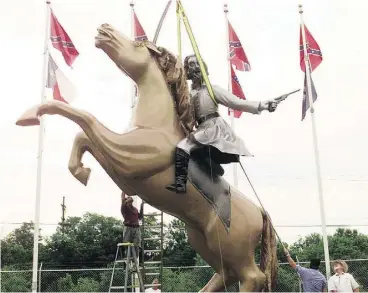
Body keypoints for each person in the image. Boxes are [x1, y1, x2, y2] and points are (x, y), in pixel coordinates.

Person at [166, 54, 289, 193]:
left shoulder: (213, 89)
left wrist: (262, 105)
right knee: (191, 152)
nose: (195, 68)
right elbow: (187, 117)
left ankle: (180, 185)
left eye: (197, 64)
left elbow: (237, 103)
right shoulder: (189, 94)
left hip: (213, 128)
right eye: (191, 65)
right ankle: (213, 168)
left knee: (183, 146)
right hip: (200, 129)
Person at [121, 192, 143, 259]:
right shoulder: (124, 208)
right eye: (128, 198)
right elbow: (122, 199)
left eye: (130, 197)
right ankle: (128, 263)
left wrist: (142, 206)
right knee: (127, 245)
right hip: (128, 228)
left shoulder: (135, 209)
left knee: (137, 245)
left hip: (136, 228)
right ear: (126, 201)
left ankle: (135, 262)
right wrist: (123, 190)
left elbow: (140, 217)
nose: (129, 197)